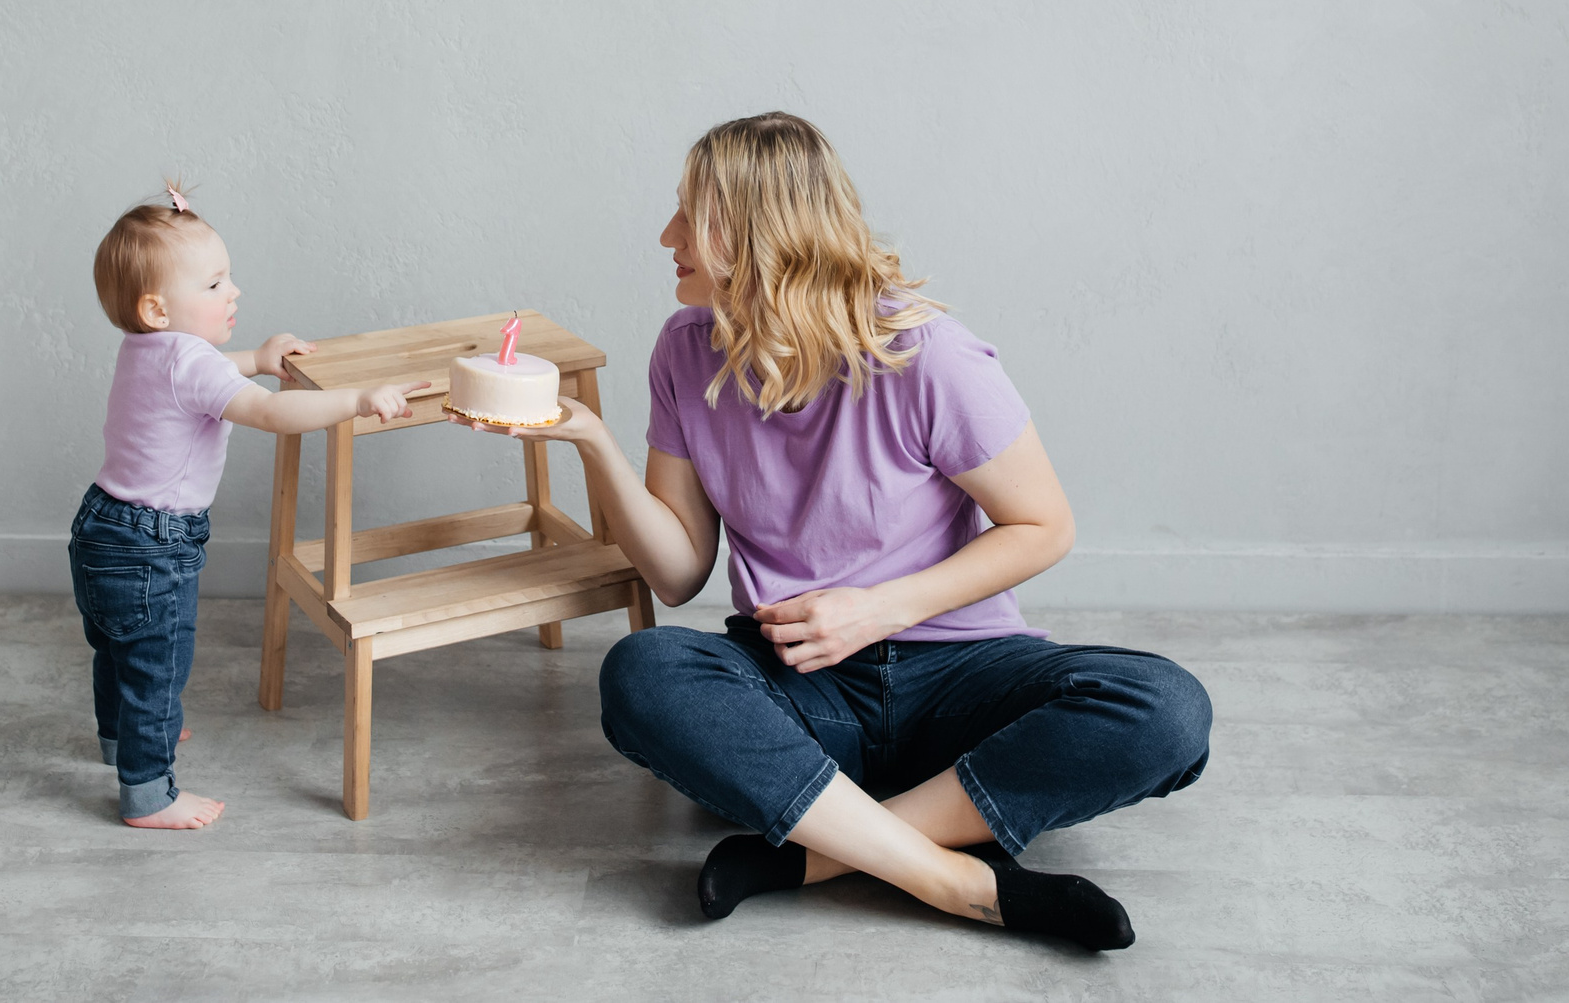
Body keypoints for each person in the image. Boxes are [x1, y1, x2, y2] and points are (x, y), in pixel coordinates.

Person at [458, 114, 1210, 950]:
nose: (667, 235)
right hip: (800, 686)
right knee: (643, 670)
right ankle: (954, 876)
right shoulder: (683, 352)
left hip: (961, 672)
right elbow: (677, 573)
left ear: (756, 232)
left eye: (689, 217)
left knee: (1167, 709)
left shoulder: (929, 355)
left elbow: (1044, 525)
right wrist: (591, 441)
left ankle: (819, 854)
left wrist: (877, 609)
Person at [72, 183, 427, 828]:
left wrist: (259, 358)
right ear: (156, 308)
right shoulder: (188, 360)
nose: (232, 291)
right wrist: (353, 399)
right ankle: (149, 794)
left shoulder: (147, 348)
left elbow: (206, 368)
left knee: (117, 649)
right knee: (159, 665)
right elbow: (270, 412)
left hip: (102, 526)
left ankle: (120, 740)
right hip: (154, 545)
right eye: (213, 286)